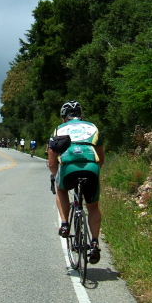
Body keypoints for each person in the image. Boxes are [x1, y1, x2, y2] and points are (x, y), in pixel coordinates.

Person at [47, 100, 104, 264]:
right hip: (91, 167)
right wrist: (93, 172)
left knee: (61, 189)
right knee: (92, 207)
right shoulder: (92, 127)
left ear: (63, 116)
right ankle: (94, 243)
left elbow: (51, 163)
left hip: (68, 168)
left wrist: (57, 175)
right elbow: (101, 158)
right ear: (80, 115)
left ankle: (65, 224)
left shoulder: (58, 129)